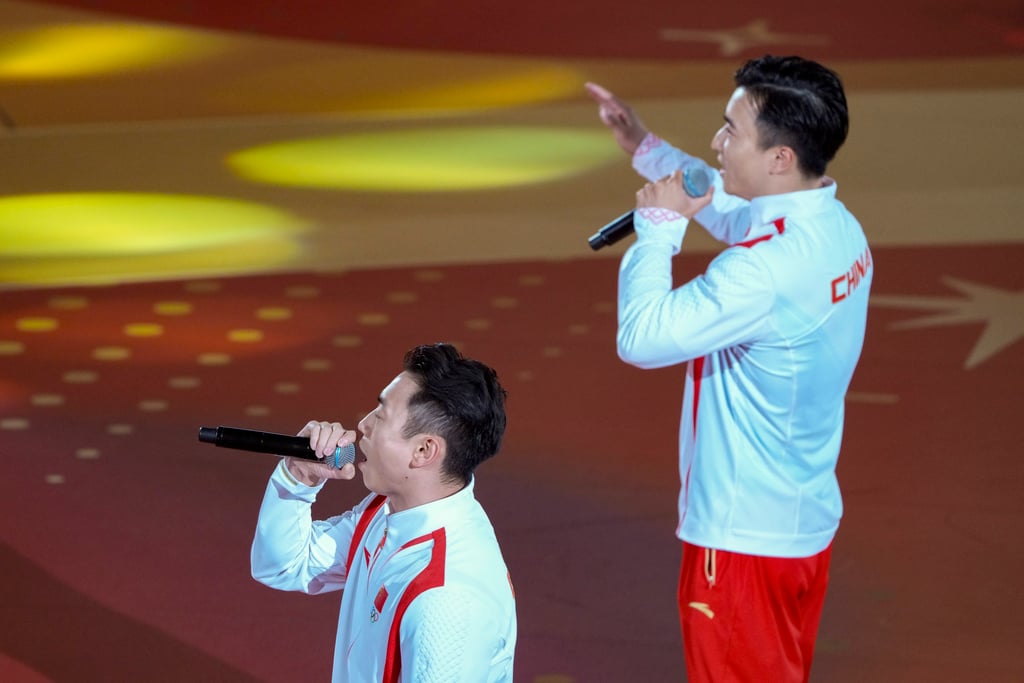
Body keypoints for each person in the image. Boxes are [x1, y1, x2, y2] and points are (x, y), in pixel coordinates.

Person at [586, 55, 872, 682]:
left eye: (730, 131)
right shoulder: (837, 230)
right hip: (798, 525)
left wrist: (657, 230)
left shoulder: (759, 273)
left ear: (779, 158)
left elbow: (641, 337)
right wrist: (646, 148)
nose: (717, 142)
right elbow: (731, 212)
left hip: (740, 547)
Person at [251, 343, 516, 682]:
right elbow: (286, 565)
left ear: (423, 450)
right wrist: (300, 477)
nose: (362, 424)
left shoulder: (447, 600)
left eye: (380, 415)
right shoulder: (389, 510)